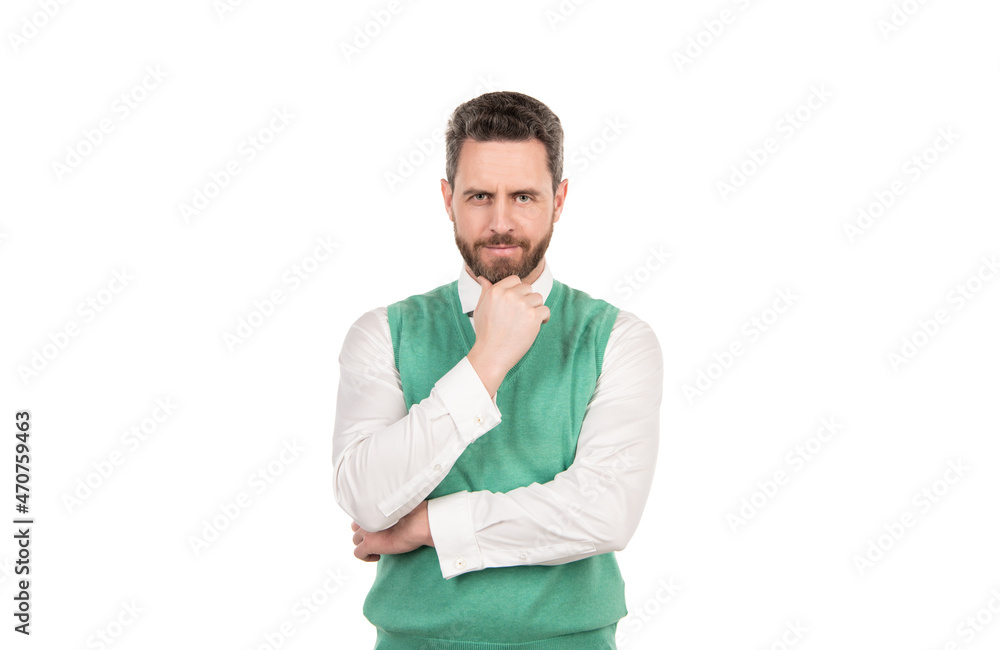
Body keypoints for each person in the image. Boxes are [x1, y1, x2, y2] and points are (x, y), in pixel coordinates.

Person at [332, 90, 663, 649]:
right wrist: (487, 359)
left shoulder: (619, 340)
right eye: (480, 196)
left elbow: (604, 512)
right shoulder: (383, 333)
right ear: (448, 199)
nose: (501, 222)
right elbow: (365, 496)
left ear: (559, 200)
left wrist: (424, 526)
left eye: (524, 197)